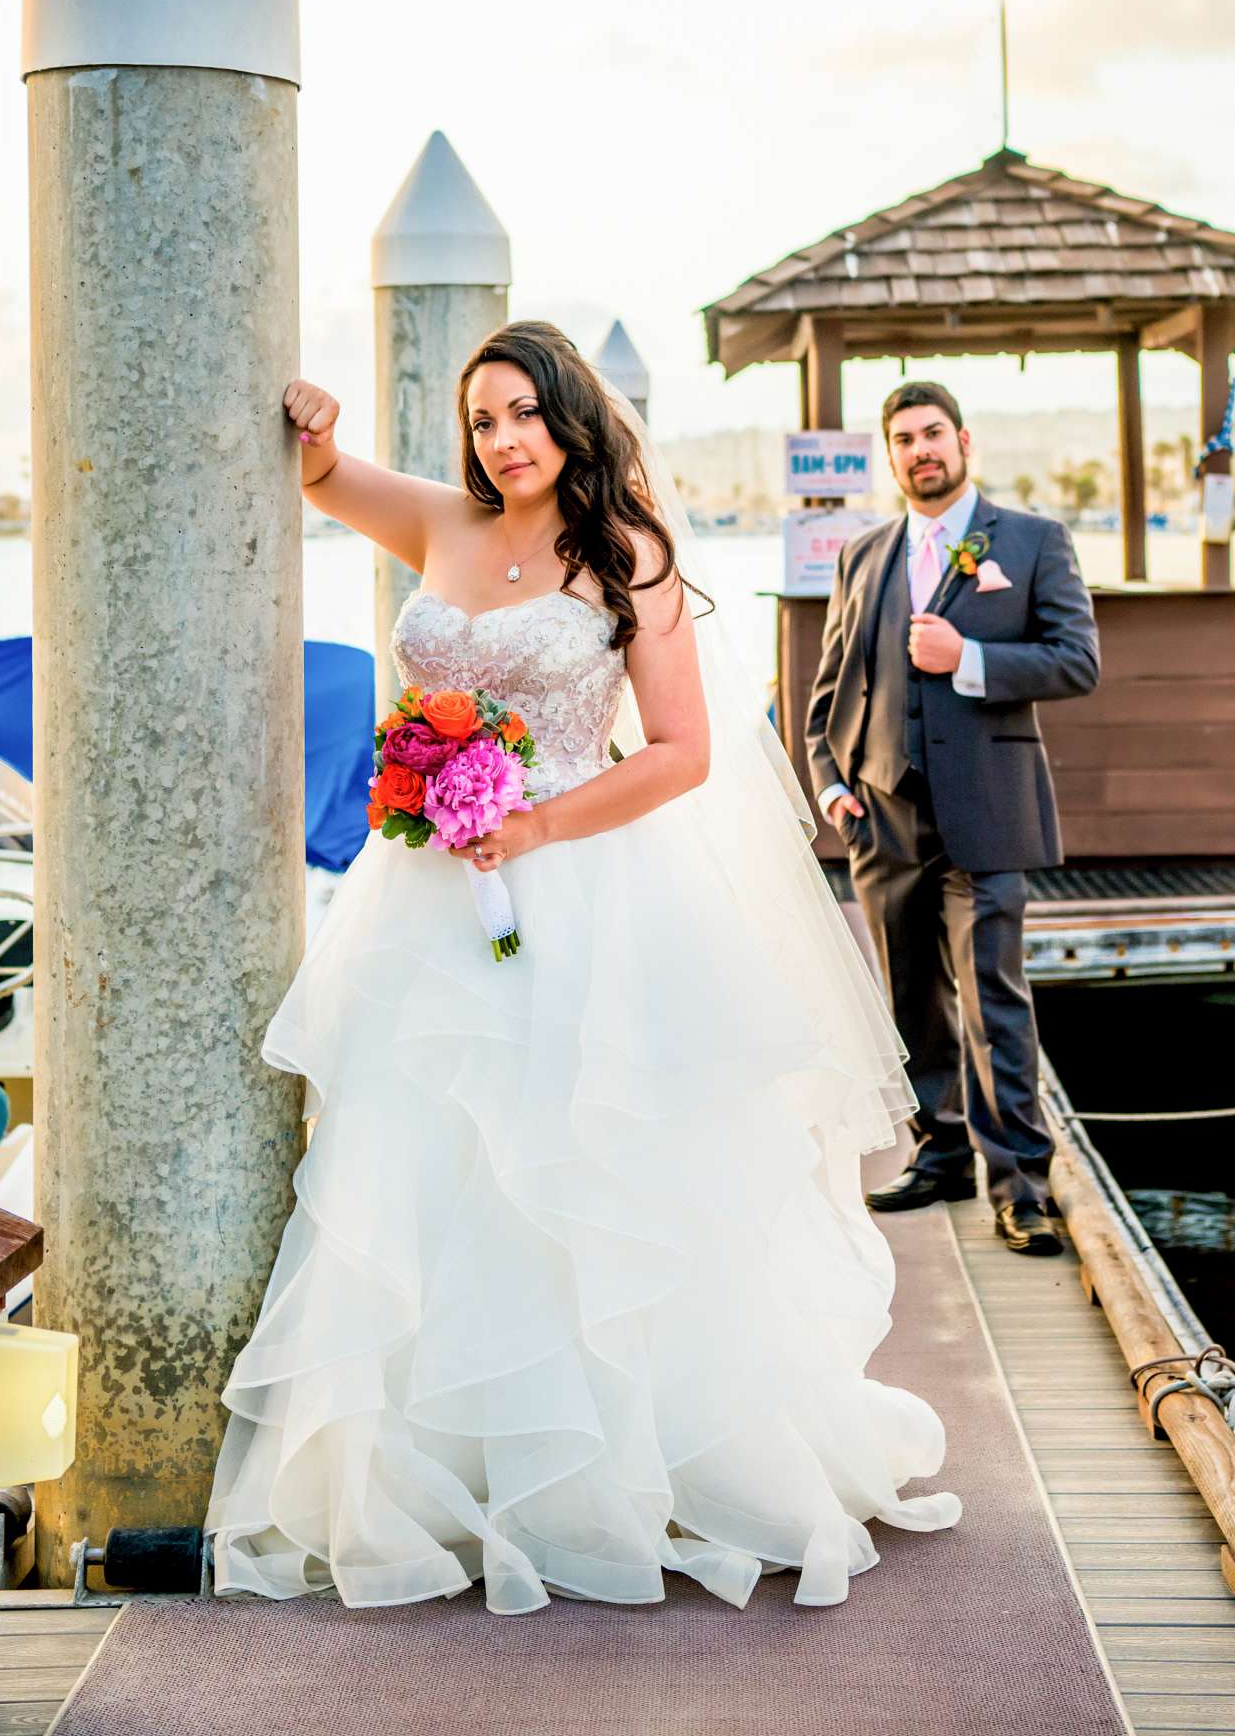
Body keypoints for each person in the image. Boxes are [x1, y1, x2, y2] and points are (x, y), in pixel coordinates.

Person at [206, 322, 960, 1616]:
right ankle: (446, 1472)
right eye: (483, 419)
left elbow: (679, 752)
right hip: (429, 899)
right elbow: (323, 481)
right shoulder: (443, 522)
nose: (502, 442)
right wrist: (317, 432)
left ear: (569, 419)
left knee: (575, 1160)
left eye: (523, 416)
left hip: (577, 888)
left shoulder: (629, 557)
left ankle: (603, 1475)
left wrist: (539, 820)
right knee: (429, 1161)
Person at [805, 382, 1100, 1257]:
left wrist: (968, 656)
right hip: (882, 812)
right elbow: (829, 686)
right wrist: (831, 784)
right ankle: (936, 1153)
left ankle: (1020, 1185)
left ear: (964, 442)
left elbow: (1076, 660)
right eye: (902, 438)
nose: (919, 449)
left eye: (933, 433)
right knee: (908, 1002)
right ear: (889, 454)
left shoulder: (1033, 542)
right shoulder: (864, 554)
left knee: (993, 1001)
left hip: (989, 810)